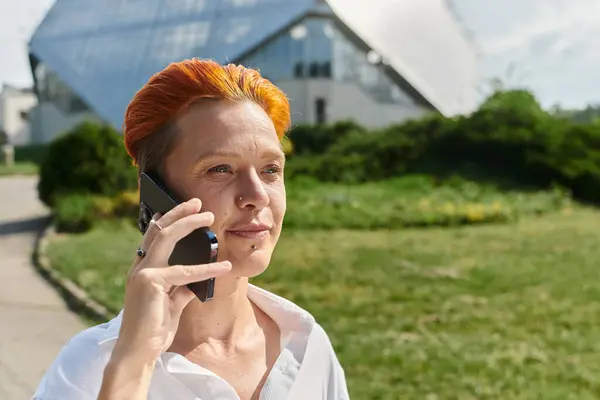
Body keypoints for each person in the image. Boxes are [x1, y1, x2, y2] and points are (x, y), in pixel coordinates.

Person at [32, 59, 349, 400]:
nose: (257, 197)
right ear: (156, 195)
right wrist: (135, 361)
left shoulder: (306, 345)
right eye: (220, 169)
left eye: (270, 169)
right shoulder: (90, 367)